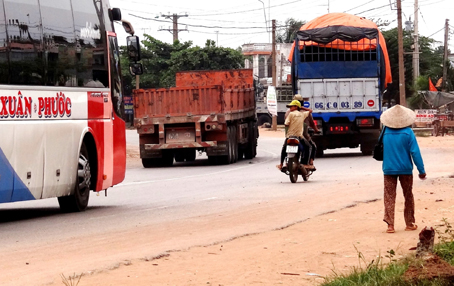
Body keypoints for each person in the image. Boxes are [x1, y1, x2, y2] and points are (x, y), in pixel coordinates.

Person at [380, 105, 426, 234]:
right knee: (408, 195)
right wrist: (421, 170)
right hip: (406, 169)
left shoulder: (385, 131)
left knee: (389, 196)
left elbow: (380, 146)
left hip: (388, 169)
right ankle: (409, 223)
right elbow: (415, 152)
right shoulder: (408, 132)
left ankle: (390, 225)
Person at [284, 94, 320, 169]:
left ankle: (284, 163)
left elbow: (286, 124)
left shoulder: (288, 112)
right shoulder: (305, 113)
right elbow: (312, 124)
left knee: (284, 147)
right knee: (312, 146)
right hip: (301, 136)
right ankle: (307, 162)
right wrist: (316, 130)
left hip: (290, 136)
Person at [277, 100, 309, 171]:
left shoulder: (290, 114)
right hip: (299, 137)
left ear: (296, 107)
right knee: (308, 147)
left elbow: (286, 124)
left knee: (284, 149)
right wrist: (302, 108)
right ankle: (305, 163)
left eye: (291, 106)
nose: (290, 108)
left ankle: (281, 164)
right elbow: (310, 111)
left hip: (290, 136)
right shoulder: (302, 114)